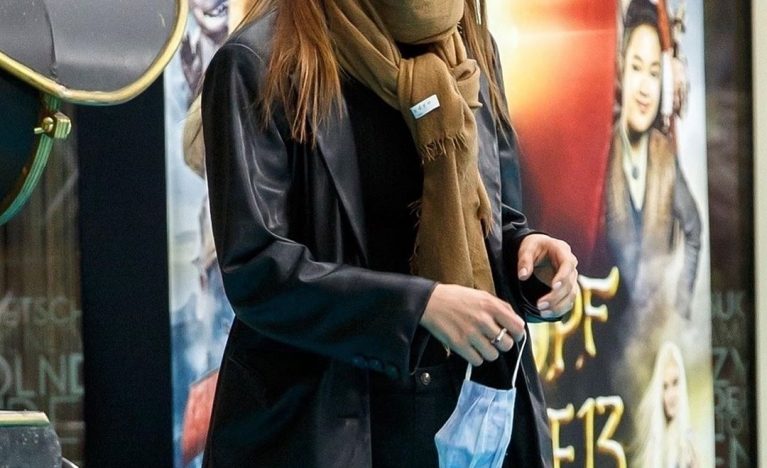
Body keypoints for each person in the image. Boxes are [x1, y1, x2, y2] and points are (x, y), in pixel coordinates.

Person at [200, 1, 579, 466]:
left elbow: (492, 221)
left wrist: (531, 263)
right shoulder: (259, 61)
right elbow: (257, 270)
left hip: (462, 415)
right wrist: (418, 308)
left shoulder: (470, 43)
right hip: (326, 427)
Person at [604, 0, 701, 325]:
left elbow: (694, 232)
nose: (645, 87)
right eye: (636, 67)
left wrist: (681, 308)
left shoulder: (664, 156)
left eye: (654, 73)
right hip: (604, 341)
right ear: (621, 68)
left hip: (654, 338)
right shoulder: (604, 154)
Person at [633, 342, 698, 467]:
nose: (671, 395)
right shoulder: (653, 447)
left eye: (675, 383)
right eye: (665, 387)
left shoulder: (690, 445)